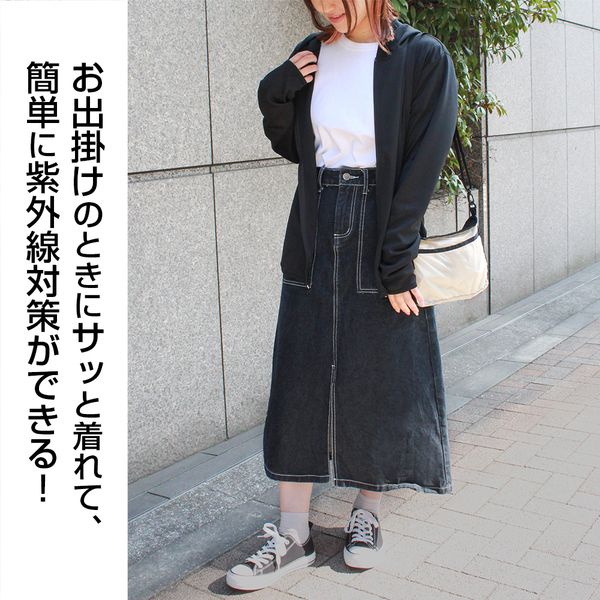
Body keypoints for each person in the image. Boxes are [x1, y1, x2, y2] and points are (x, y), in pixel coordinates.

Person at [226, 0, 458, 591]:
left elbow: (423, 164)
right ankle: (292, 532)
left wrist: (396, 262)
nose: (327, 5)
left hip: (383, 226)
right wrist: (276, 90)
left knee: (377, 372)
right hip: (316, 223)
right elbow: (293, 146)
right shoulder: (311, 53)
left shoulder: (421, 57)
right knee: (301, 372)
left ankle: (366, 513)